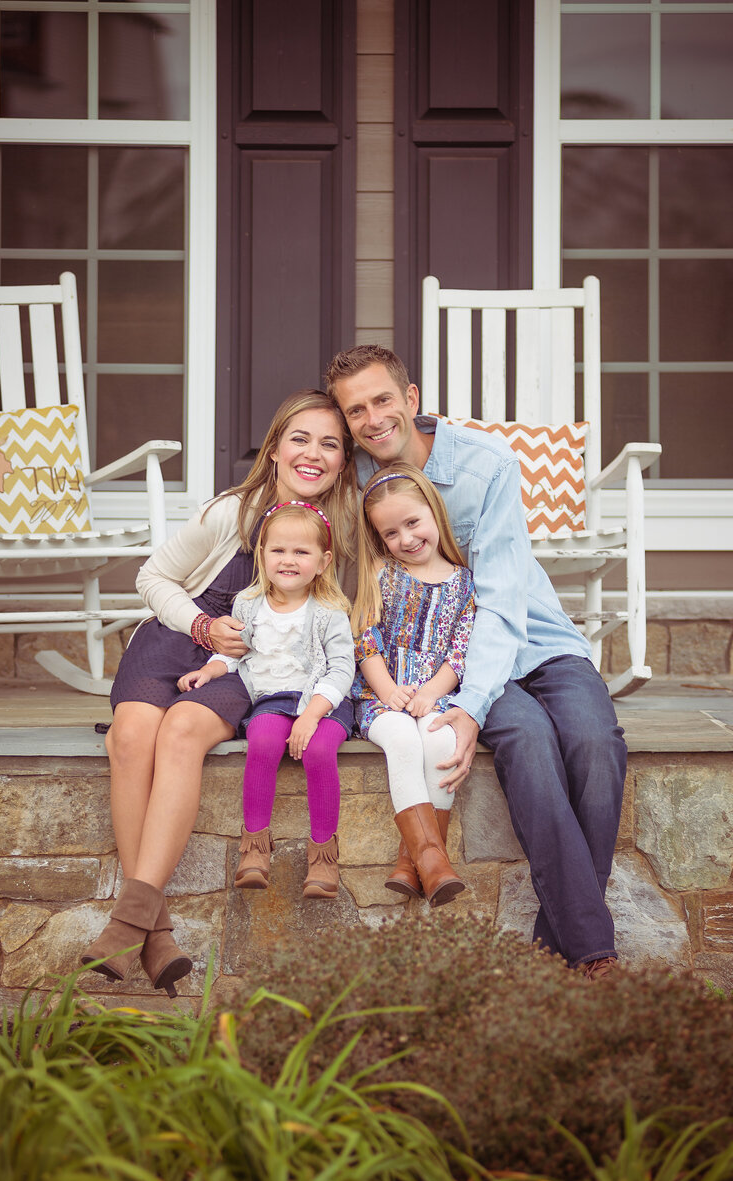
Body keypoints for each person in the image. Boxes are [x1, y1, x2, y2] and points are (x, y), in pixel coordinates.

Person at [326, 346, 628, 980]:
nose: (374, 419)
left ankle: (561, 938)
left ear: (411, 400)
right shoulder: (351, 478)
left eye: (383, 400)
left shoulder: (485, 464)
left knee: (596, 741)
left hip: (531, 637)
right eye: (357, 411)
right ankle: (594, 955)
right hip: (453, 661)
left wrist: (468, 706)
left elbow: (498, 601)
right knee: (528, 741)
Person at [81, 390, 358, 995]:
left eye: (330, 444)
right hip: (175, 639)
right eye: (300, 439)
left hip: (241, 668)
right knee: (131, 737)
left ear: (343, 460)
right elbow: (151, 576)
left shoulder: (348, 529)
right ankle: (151, 932)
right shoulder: (230, 512)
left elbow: (344, 618)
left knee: (180, 732)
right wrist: (201, 626)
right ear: (276, 446)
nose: (313, 454)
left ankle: (128, 923)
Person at [177, 500, 355, 899]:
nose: (288, 560)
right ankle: (255, 848)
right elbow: (234, 651)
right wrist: (210, 670)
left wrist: (311, 715)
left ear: (323, 561)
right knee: (262, 741)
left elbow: (342, 670)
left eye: (301, 552)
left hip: (324, 701)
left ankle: (323, 855)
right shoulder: (249, 604)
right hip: (273, 698)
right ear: (262, 555)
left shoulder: (329, 612)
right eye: (278, 550)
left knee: (319, 750)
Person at [351, 464, 475, 907]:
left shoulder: (464, 584)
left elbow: (460, 653)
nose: (405, 538)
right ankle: (433, 860)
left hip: (436, 695)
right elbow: (366, 639)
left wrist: (429, 693)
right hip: (380, 698)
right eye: (390, 533)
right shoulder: (381, 574)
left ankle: (413, 865)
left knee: (441, 742)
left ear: (434, 513)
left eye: (412, 523)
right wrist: (388, 691)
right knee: (403, 740)